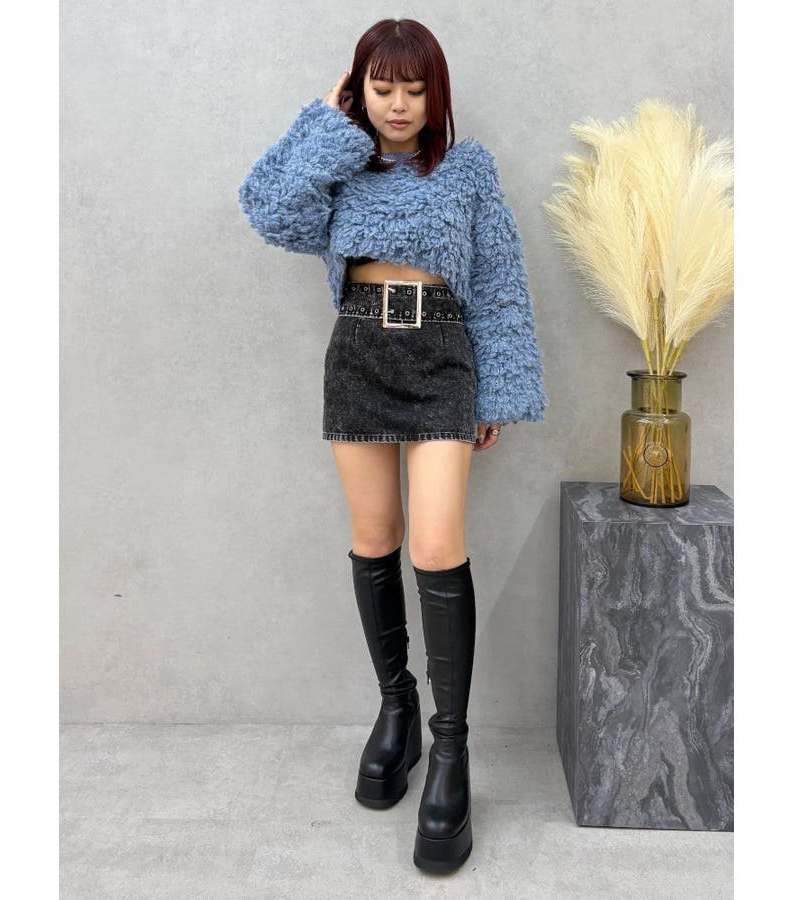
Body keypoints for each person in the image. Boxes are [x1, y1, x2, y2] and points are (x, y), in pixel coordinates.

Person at [238, 18, 548, 874]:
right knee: (373, 537)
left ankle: (450, 750)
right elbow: (270, 210)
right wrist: (328, 124)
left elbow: (500, 278)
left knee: (437, 545)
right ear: (359, 90)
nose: (399, 104)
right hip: (359, 355)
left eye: (414, 88)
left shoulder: (467, 167)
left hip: (443, 355)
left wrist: (500, 388)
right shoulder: (343, 163)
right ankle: (397, 711)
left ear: (435, 93)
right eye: (381, 87)